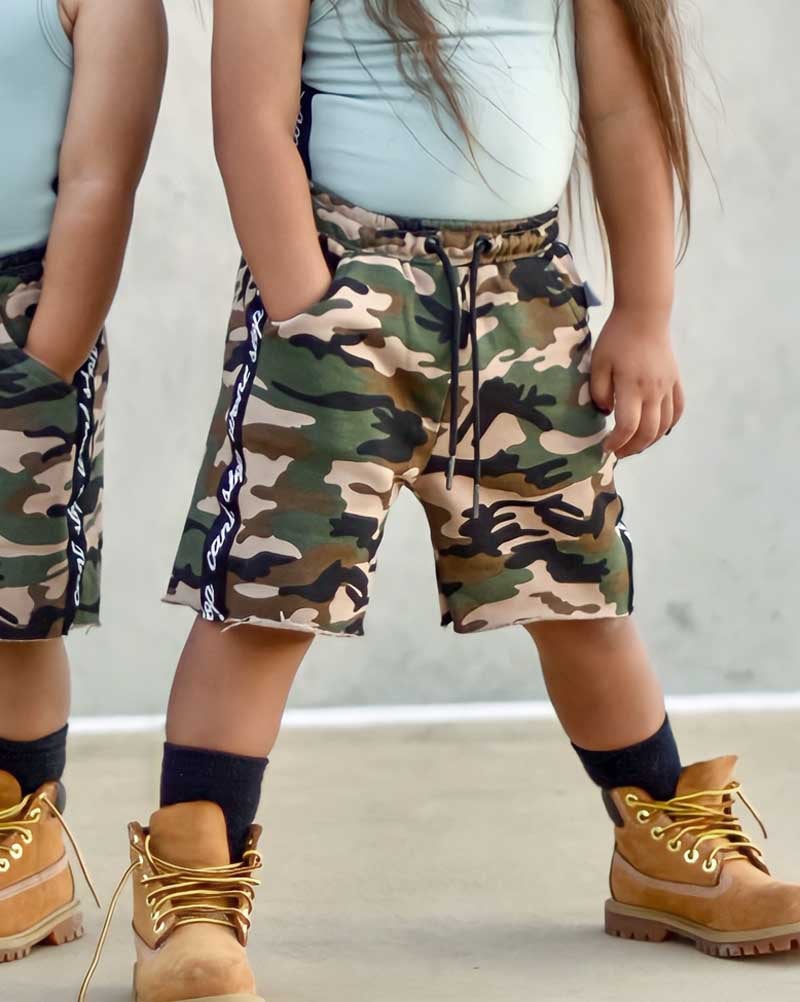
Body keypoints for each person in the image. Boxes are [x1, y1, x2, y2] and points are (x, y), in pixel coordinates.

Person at [81, 1, 800, 1000]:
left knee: (578, 592)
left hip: (525, 299)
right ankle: (193, 891)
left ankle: (663, 844)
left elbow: (621, 112)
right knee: (265, 603)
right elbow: (249, 118)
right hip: (351, 294)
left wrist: (645, 312)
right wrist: (306, 304)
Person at [0, 0, 166, 968]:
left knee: (13, 601)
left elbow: (101, 178)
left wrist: (48, 358)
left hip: (22, 311)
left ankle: (26, 835)